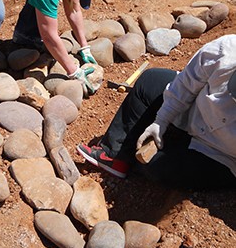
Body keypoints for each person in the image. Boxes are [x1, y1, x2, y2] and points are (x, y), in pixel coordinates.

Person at [77, 35, 236, 189]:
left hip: (220, 155)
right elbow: (185, 85)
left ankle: (173, 145)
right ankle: (115, 154)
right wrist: (161, 120)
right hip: (193, 112)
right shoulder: (226, 50)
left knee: (153, 166)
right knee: (150, 81)